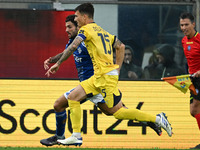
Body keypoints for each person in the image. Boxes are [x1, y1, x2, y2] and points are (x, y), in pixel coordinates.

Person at [45, 3, 172, 146]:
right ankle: (76, 136)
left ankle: (157, 119)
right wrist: (116, 69)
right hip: (98, 77)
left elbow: (75, 46)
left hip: (104, 77)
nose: (76, 19)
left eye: (77, 16)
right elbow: (120, 46)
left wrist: (58, 64)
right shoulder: (102, 31)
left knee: (117, 112)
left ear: (84, 16)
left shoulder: (85, 31)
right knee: (75, 99)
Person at [179, 12, 200, 149]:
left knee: (195, 108)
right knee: (193, 111)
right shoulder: (184, 41)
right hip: (194, 80)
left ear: (193, 24)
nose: (184, 27)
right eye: (181, 25)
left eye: (186, 24)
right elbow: (189, 62)